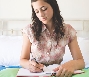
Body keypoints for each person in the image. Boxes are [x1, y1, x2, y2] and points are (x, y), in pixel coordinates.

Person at [20, 0, 85, 77]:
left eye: (44, 9)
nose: (41, 14)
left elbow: (81, 62)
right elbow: (23, 60)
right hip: (36, 74)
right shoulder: (29, 30)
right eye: (37, 11)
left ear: (53, 6)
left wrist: (71, 65)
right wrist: (29, 65)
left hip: (57, 73)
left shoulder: (68, 31)